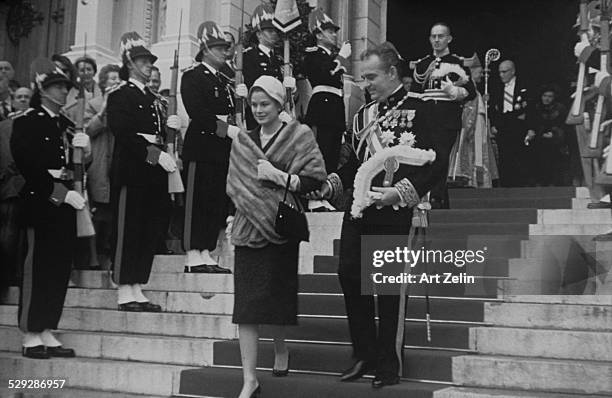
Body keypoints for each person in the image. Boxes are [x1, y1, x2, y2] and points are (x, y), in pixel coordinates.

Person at [312, 42, 441, 388]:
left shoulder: (421, 109)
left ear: (392, 73)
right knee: (349, 275)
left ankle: (388, 361)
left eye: (371, 77)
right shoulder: (362, 116)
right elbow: (355, 162)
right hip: (359, 209)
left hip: (394, 210)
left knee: (385, 287)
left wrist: (399, 193)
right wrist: (331, 185)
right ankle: (363, 351)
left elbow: (433, 162)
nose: (365, 83)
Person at [222, 75, 326, 398]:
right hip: (247, 228)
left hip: (280, 227)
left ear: (280, 104)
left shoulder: (299, 134)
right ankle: (249, 379)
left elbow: (315, 179)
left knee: (276, 299)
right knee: (247, 306)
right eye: (253, 105)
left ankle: (281, 348)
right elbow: (234, 182)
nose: (258, 110)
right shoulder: (243, 140)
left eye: (265, 104)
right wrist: (232, 214)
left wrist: (284, 178)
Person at [11, 58, 91, 359]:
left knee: (58, 269)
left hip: (66, 201)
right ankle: (31, 332)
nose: (62, 92)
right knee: (38, 268)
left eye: (64, 87)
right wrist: (60, 194)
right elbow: (28, 166)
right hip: (42, 201)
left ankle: (47, 327)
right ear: (42, 91)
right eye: (56, 87)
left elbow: (76, 167)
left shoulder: (67, 126)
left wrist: (85, 151)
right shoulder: (27, 121)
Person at [107, 31, 178, 312]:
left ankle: (138, 286)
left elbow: (158, 134)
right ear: (130, 63)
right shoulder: (120, 95)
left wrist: (168, 128)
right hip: (133, 169)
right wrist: (156, 155)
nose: (149, 65)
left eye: (149, 61)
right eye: (144, 61)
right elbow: (123, 133)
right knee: (129, 228)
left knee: (149, 229)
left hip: (153, 173)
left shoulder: (152, 98)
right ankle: (125, 288)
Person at [180, 21, 235, 273]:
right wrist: (226, 130)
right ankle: (193, 253)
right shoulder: (192, 76)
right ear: (205, 49)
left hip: (220, 149)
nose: (225, 52)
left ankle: (206, 251)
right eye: (219, 47)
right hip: (201, 147)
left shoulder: (224, 81)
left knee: (214, 201)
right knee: (197, 200)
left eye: (225, 48)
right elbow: (199, 113)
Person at [411, 22, 476, 208]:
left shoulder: (458, 63)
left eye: (441, 36)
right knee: (426, 158)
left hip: (447, 118)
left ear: (449, 38)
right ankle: (429, 197)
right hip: (425, 119)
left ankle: (437, 198)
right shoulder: (422, 64)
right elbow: (414, 94)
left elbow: (470, 92)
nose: (437, 40)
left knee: (441, 157)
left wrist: (454, 91)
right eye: (433, 36)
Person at [303, 9, 351, 175]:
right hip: (322, 111)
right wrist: (341, 58)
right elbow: (325, 73)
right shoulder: (313, 53)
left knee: (332, 160)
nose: (334, 35)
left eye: (334, 31)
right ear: (319, 35)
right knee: (320, 158)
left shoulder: (332, 57)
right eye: (330, 31)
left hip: (335, 112)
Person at [83, 64, 122, 267]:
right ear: (104, 83)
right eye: (112, 79)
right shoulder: (94, 103)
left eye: (118, 79)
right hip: (99, 164)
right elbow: (88, 130)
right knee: (99, 212)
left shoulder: (125, 104)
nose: (116, 82)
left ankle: (111, 252)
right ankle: (94, 255)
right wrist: (105, 108)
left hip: (119, 163)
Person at [447, 54, 499, 187]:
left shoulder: (476, 91)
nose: (482, 75)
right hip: (468, 127)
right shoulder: (466, 88)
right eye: (480, 72)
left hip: (478, 127)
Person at [238, 4, 287, 130]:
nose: (274, 34)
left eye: (275, 31)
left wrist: (292, 90)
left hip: (277, 116)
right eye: (270, 31)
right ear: (259, 34)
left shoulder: (279, 60)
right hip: (258, 114)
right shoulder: (248, 56)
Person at [0, 77, 26, 291]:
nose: (23, 100)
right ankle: (7, 276)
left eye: (27, 97)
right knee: (9, 235)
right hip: (11, 189)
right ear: (13, 101)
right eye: (19, 97)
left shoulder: (38, 124)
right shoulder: (5, 127)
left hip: (35, 189)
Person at [490, 60, 530, 187]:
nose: (501, 75)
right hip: (503, 127)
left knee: (519, 156)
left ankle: (520, 185)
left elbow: (530, 109)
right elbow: (493, 110)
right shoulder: (497, 88)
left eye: (504, 72)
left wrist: (531, 128)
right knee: (504, 157)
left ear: (512, 71)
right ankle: (506, 186)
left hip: (519, 126)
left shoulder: (523, 85)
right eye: (500, 72)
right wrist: (494, 125)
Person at [525, 85, 568, 186]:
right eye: (544, 95)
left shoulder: (560, 109)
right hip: (538, 140)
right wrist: (538, 133)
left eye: (550, 96)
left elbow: (564, 125)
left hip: (555, 142)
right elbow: (532, 123)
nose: (547, 99)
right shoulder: (536, 107)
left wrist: (554, 134)